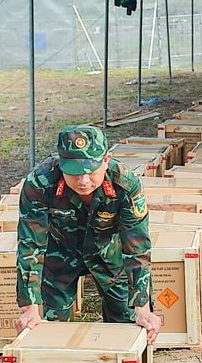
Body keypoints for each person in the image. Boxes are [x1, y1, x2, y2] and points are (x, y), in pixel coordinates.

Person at [16, 125, 162, 346]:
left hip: (107, 253)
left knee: (127, 325)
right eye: (74, 172)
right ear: (61, 163)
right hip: (59, 254)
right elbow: (30, 245)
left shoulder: (125, 184)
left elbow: (137, 248)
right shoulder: (40, 183)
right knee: (48, 332)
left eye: (91, 171)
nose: (83, 180)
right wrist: (30, 306)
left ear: (106, 160)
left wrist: (142, 306)